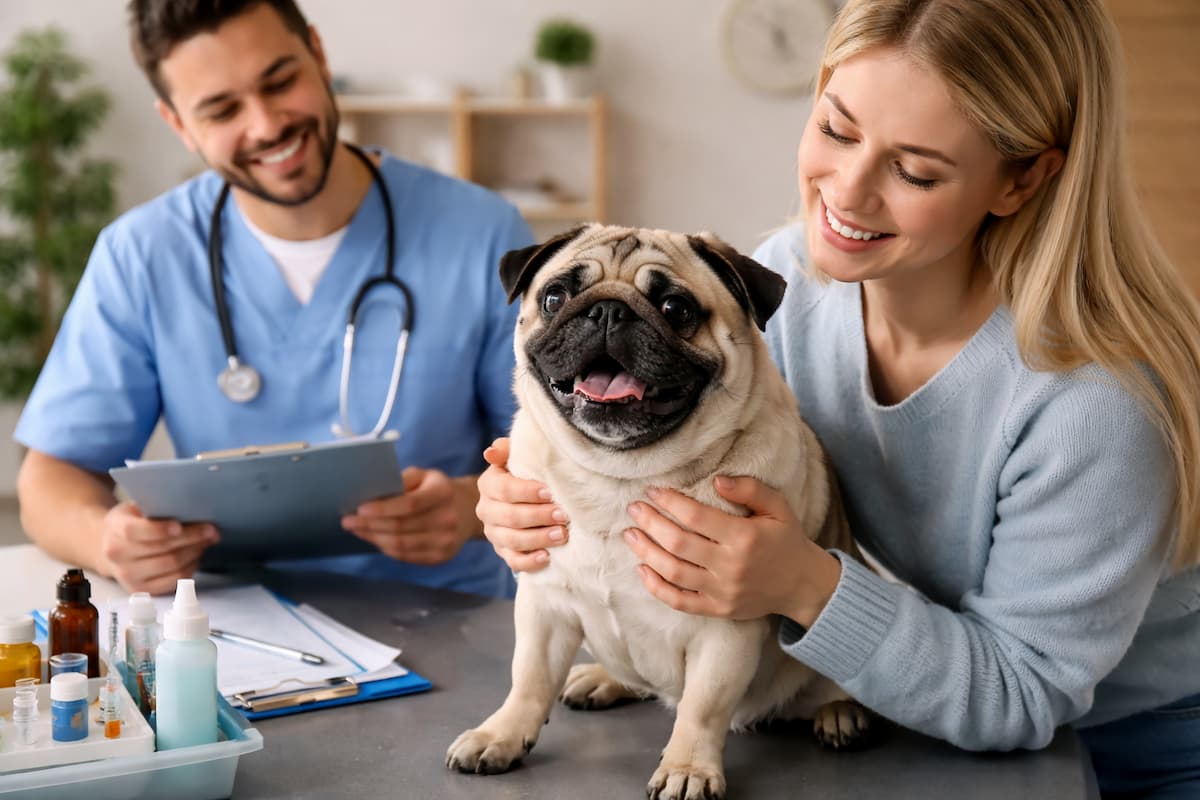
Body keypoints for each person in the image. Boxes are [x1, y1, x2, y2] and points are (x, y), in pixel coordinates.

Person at [474, 0, 1200, 796]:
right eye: (837, 129)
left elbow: (1024, 694)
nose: (848, 193)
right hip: (934, 720)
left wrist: (804, 585)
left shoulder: (1093, 405)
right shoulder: (797, 280)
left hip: (1138, 749)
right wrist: (546, 505)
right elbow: (717, 469)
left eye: (914, 170)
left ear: (1020, 178)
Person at [14, 0, 532, 599]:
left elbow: (559, 452)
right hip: (224, 623)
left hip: (452, 614)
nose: (264, 126)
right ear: (179, 124)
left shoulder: (482, 235)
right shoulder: (142, 254)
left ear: (318, 54)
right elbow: (52, 477)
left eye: (280, 81)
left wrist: (469, 508)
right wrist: (106, 538)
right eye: (222, 110)